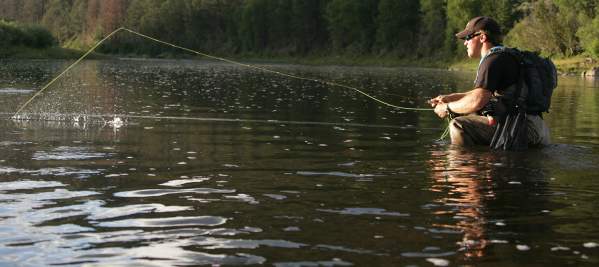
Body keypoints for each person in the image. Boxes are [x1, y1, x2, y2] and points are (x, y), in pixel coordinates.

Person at [429, 16, 550, 147]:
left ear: (482, 37)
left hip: (522, 129)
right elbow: (479, 94)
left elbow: (478, 100)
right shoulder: (503, 56)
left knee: (459, 125)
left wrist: (447, 108)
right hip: (536, 129)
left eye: (467, 38)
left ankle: (461, 166)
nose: (465, 43)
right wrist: (451, 98)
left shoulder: (492, 60)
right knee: (474, 114)